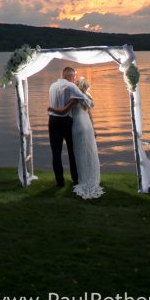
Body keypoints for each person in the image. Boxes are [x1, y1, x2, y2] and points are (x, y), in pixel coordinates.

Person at [49, 72, 104, 200]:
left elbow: (64, 110)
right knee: (89, 151)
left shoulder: (74, 97)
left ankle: (80, 178)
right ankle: (87, 175)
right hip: (88, 126)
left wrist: (52, 109)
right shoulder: (87, 96)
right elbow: (90, 113)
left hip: (78, 126)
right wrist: (94, 128)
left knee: (78, 152)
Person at [47, 66, 92, 188]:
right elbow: (85, 99)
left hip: (52, 121)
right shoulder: (71, 86)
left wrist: (52, 109)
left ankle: (60, 182)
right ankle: (75, 179)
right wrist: (88, 103)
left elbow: (53, 103)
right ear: (70, 76)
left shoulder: (52, 86)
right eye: (74, 76)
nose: (75, 78)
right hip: (65, 121)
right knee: (72, 152)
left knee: (55, 153)